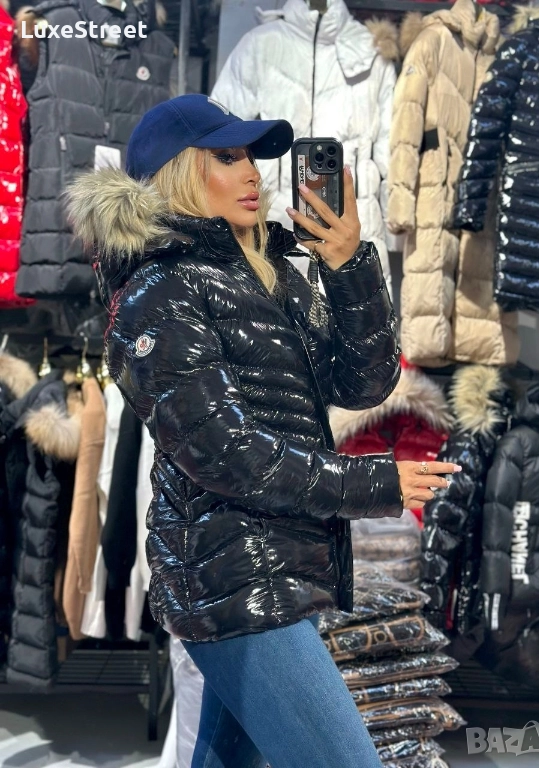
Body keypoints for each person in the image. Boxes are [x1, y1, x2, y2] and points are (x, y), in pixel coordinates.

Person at [67, 94, 458, 768]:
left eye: (250, 156)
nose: (251, 172)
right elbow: (229, 455)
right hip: (233, 579)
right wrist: (377, 482)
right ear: (179, 172)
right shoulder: (159, 293)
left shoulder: (265, 272)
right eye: (227, 157)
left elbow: (361, 386)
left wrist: (348, 266)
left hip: (274, 567)